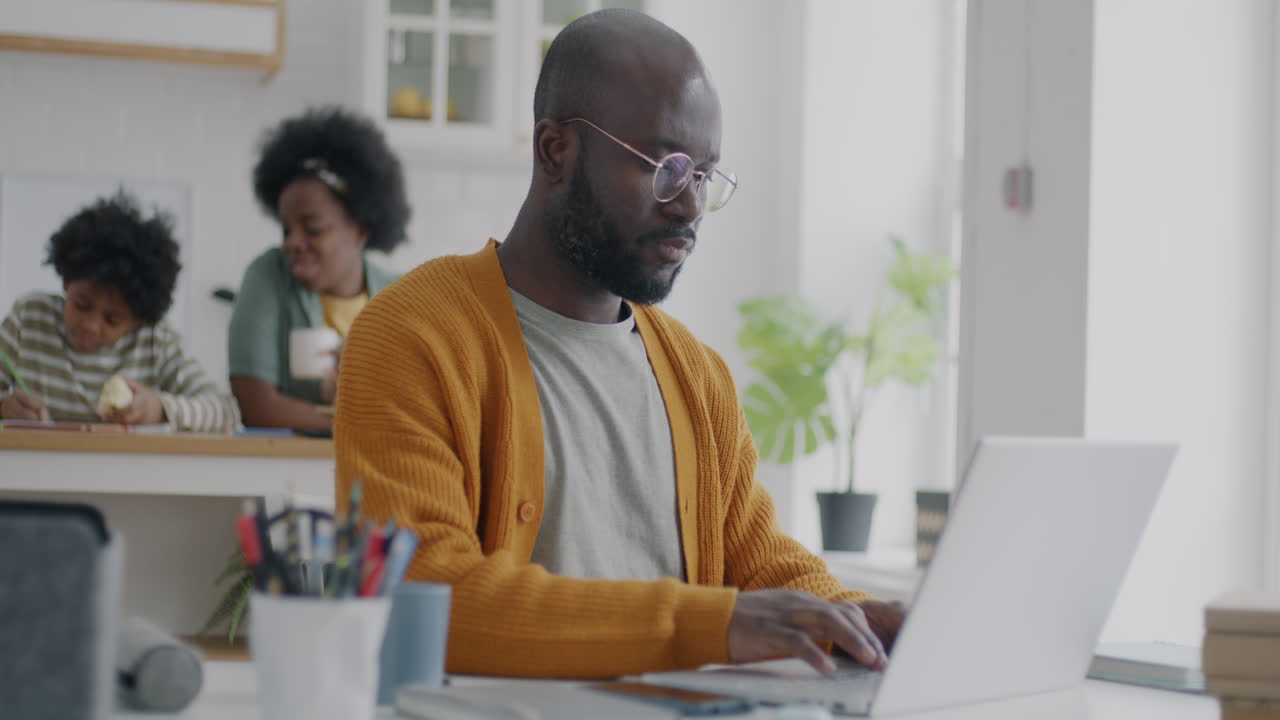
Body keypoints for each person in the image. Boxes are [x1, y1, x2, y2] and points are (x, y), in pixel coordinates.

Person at [335, 9, 904, 679]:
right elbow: (428, 594)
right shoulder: (412, 335)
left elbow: (761, 565)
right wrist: (704, 623)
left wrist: (862, 621)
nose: (689, 205)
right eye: (664, 166)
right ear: (555, 152)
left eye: (703, 175)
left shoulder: (697, 373)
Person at [228, 106, 411, 431]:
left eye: (312, 229)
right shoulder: (268, 275)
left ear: (360, 229)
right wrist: (363, 420)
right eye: (286, 229)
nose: (292, 243)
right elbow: (257, 407)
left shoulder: (401, 296)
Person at [0, 191, 240, 432]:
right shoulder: (28, 319)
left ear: (138, 319)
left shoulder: (154, 341)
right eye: (81, 304)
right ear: (66, 281)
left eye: (113, 319)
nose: (90, 325)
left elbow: (225, 412)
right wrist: (3, 407)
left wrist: (160, 408)